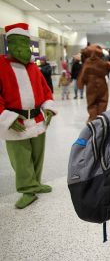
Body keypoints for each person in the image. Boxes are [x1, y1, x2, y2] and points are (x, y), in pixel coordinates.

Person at [0, 23, 57, 209]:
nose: (21, 48)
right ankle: (27, 189)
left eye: (24, 43)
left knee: (37, 155)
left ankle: (36, 183)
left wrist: (48, 107)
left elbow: (46, 90)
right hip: (16, 121)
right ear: (9, 43)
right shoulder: (1, 66)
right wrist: (7, 117)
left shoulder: (33, 67)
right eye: (16, 43)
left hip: (38, 120)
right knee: (21, 157)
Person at [78, 44, 110, 122]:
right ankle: (101, 118)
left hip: (90, 84)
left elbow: (83, 73)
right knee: (103, 100)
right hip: (102, 83)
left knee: (91, 102)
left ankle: (93, 118)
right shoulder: (102, 62)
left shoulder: (87, 62)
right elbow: (109, 68)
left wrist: (81, 83)